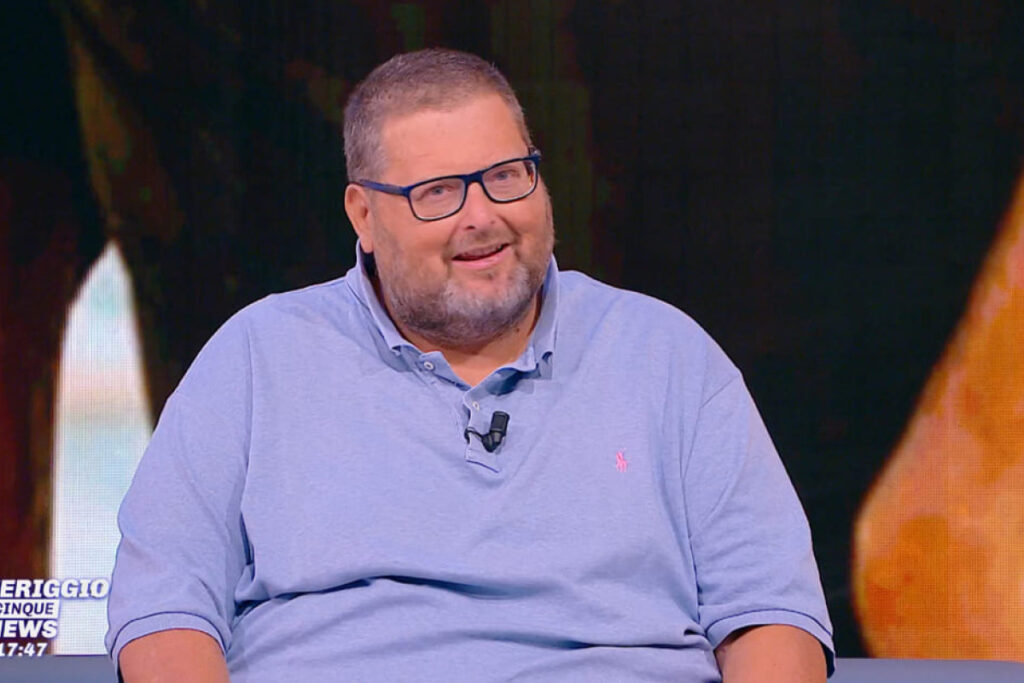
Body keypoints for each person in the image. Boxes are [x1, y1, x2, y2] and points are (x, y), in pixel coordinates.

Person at [106, 48, 834, 682]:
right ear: (363, 215)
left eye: (507, 176)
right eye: (439, 192)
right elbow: (164, 608)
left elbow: (771, 615)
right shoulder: (258, 356)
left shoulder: (667, 355)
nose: (483, 216)